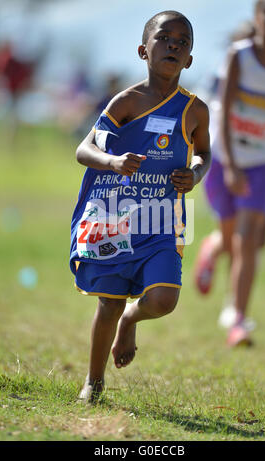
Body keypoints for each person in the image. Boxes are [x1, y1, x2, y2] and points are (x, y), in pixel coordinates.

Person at [70, 10, 211, 402]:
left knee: (164, 299)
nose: (174, 45)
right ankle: (94, 382)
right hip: (117, 217)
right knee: (110, 302)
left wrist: (195, 175)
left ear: (190, 59)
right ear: (143, 50)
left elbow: (203, 154)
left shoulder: (196, 110)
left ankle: (133, 319)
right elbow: (85, 149)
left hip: (163, 219)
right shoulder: (126, 102)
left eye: (183, 42)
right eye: (165, 38)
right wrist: (113, 162)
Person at [194, 0, 265, 346]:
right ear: (257, 16)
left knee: (249, 240)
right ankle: (212, 246)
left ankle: (237, 319)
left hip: (264, 162)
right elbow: (222, 112)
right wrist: (232, 166)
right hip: (225, 157)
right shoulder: (239, 57)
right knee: (232, 235)